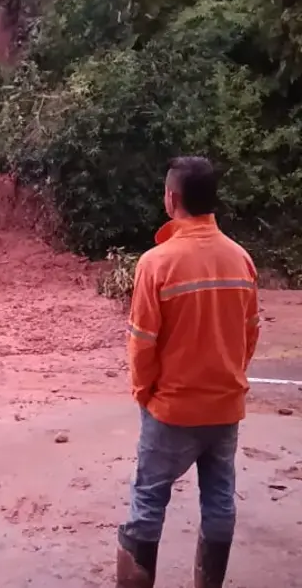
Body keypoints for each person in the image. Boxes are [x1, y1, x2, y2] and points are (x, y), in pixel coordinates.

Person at [117, 157, 259, 588]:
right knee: (218, 500)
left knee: (147, 503)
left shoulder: (156, 263)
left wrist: (145, 393)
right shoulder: (241, 260)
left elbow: (143, 342)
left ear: (171, 198)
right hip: (224, 405)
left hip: (172, 410)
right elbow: (249, 336)